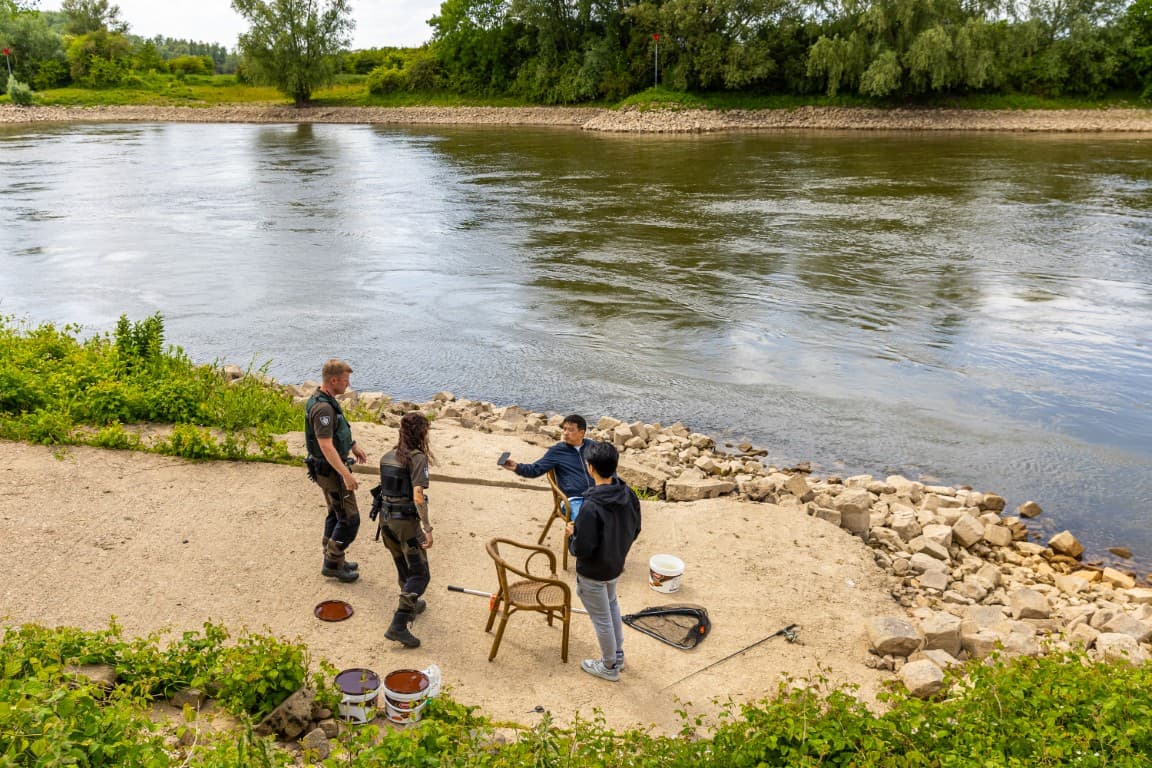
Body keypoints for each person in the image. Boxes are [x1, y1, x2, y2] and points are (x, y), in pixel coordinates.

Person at [565, 441, 642, 682]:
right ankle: (617, 655)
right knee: (611, 608)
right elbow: (636, 528)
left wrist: (572, 535)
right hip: (615, 564)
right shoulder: (628, 494)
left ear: (590, 468)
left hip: (594, 572)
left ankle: (609, 666)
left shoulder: (591, 506)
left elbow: (583, 549)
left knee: (602, 619)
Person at [374, 411, 435, 648]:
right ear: (421, 433)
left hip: (385, 520)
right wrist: (427, 528)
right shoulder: (417, 458)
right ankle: (398, 625)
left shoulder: (387, 456)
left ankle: (410, 601)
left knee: (402, 564)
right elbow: (418, 497)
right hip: (405, 524)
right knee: (420, 573)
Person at [304, 359, 367, 583]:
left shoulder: (325, 399)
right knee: (350, 520)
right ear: (333, 380)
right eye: (345, 381)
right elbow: (325, 445)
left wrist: (352, 445)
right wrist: (346, 474)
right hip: (331, 472)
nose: (348, 385)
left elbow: (336, 430)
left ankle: (334, 558)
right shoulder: (322, 408)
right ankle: (332, 562)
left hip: (327, 469)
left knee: (335, 514)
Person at [501, 414, 594, 516]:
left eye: (570, 430)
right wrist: (517, 467)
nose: (565, 433)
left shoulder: (594, 447)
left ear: (582, 433)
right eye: (564, 429)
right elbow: (535, 469)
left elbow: (608, 469)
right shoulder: (557, 451)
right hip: (574, 500)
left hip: (597, 496)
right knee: (586, 521)